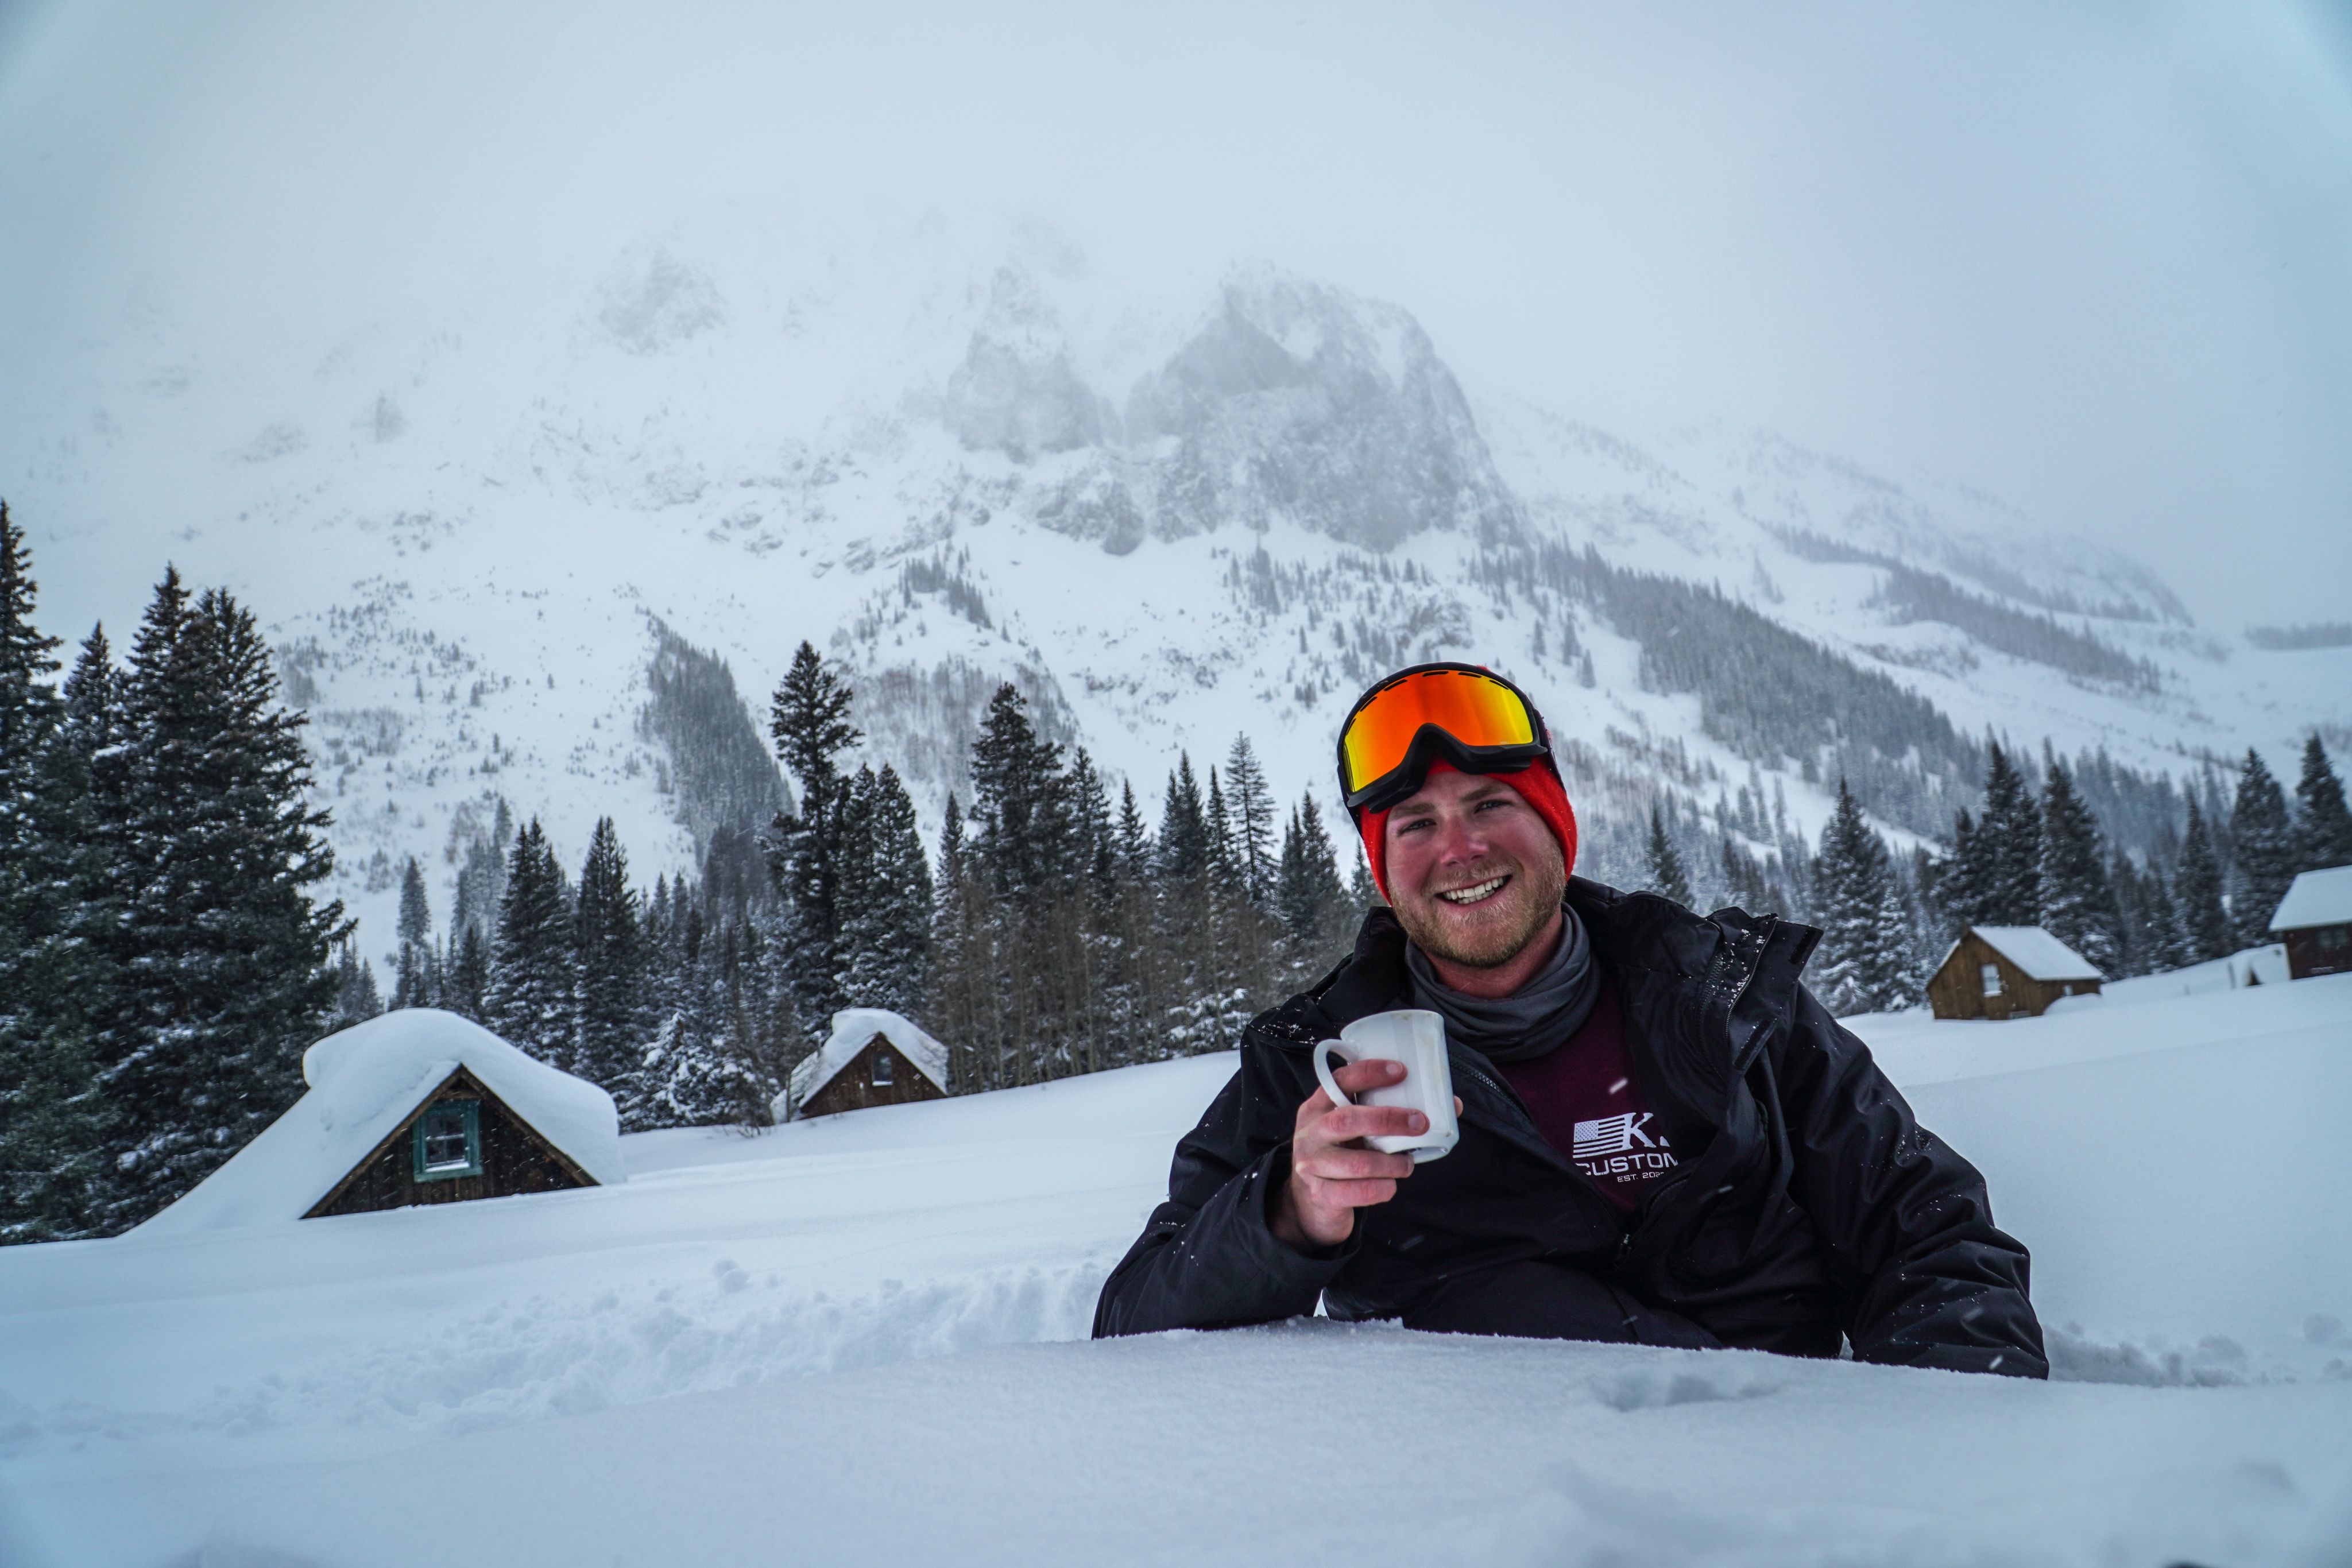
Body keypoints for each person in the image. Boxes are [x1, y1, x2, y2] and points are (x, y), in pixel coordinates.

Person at [1093, 663, 2046, 1376]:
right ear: (1386, 873)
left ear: (1554, 823)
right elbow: (1134, 1324)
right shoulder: (1312, 1064)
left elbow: (1927, 1231)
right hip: (1518, 1521)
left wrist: (1946, 1445)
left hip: (1789, 1487)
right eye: (1414, 825)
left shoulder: (1727, 1001)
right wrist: (1288, 1212)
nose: (1458, 849)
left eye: (1489, 804)